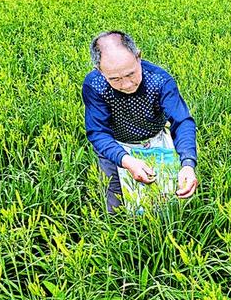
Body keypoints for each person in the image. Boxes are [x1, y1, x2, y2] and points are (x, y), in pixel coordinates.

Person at [82, 31, 198, 213]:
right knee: (116, 196)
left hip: (154, 138)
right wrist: (126, 160)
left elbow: (182, 121)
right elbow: (98, 132)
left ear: (138, 57)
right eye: (115, 79)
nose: (127, 84)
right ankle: (118, 232)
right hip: (114, 144)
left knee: (165, 195)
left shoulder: (160, 80)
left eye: (131, 74)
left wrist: (188, 164)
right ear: (99, 70)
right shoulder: (94, 85)